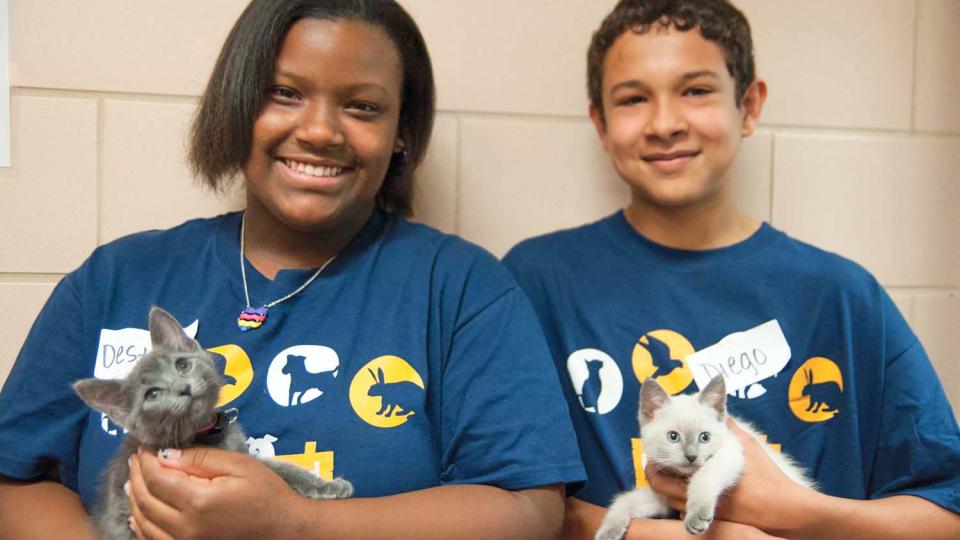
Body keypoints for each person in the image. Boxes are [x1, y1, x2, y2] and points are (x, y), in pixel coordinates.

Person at [0, 1, 585, 538]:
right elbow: (15, 478)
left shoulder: (461, 288)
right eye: (284, 93)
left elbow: (528, 511)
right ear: (237, 105)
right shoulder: (115, 277)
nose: (319, 131)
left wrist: (296, 521)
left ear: (400, 133)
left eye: (363, 106)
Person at [502, 1, 960, 539]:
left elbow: (944, 515)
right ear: (600, 124)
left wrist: (790, 514)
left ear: (748, 106)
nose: (665, 124)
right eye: (632, 99)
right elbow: (510, 503)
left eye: (695, 91)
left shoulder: (841, 297)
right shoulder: (536, 283)